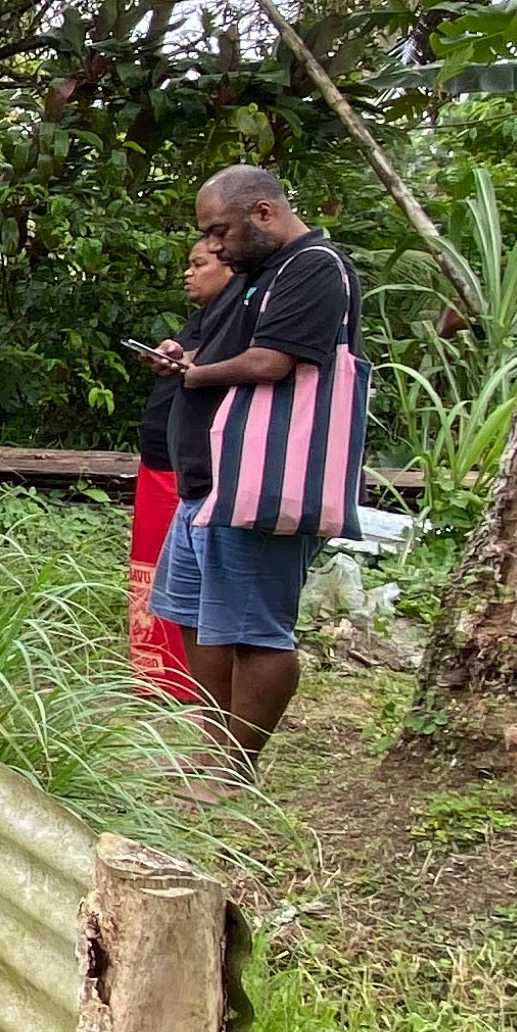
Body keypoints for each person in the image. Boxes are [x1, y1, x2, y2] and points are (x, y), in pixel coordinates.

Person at [143, 165, 366, 771]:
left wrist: (194, 374)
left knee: (254, 630)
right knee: (194, 618)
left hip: (257, 483)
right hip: (207, 483)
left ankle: (237, 768)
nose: (212, 247)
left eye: (220, 231)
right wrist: (183, 356)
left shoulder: (314, 268)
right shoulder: (253, 276)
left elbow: (271, 363)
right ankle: (212, 750)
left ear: (263, 213)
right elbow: (226, 351)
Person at [130, 231, 242, 700]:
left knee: (190, 577)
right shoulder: (205, 320)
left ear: (229, 266)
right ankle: (154, 672)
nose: (188, 273)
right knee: (153, 569)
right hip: (159, 461)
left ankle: (189, 682)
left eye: (199, 264)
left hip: (196, 471)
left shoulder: (241, 319)